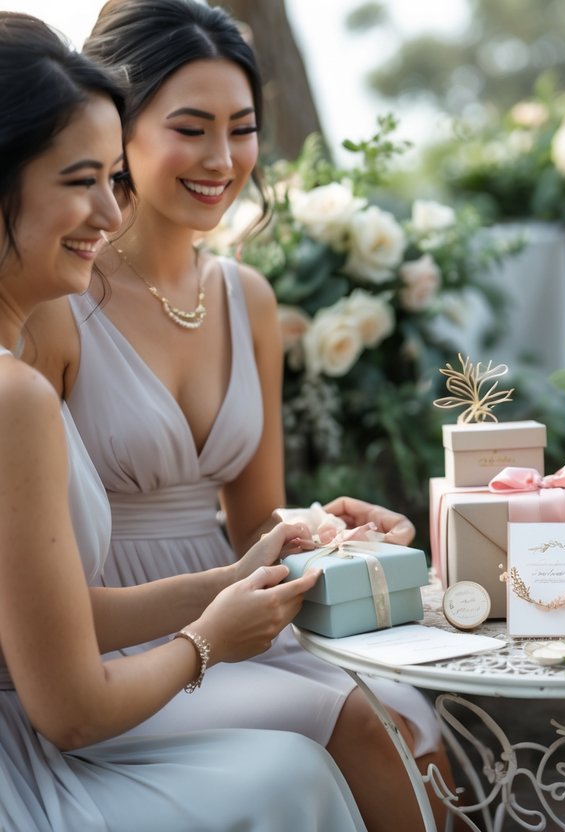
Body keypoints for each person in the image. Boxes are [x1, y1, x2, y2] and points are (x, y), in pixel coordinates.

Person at [21, 1, 448, 828]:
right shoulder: (55, 303)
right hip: (103, 636)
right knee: (366, 726)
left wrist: (336, 536)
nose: (222, 159)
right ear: (120, 132)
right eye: (191, 127)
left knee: (411, 712)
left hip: (235, 603)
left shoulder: (245, 297)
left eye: (242, 129)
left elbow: (255, 517)